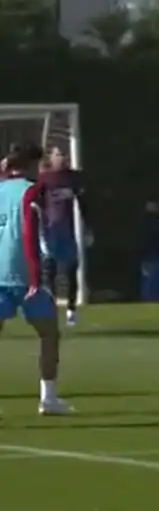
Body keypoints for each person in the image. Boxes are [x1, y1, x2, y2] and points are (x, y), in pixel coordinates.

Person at [0, 143, 73, 415]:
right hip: (25, 275)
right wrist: (34, 279)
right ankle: (48, 398)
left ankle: (50, 400)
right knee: (49, 333)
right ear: (33, 164)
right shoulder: (32, 190)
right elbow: (29, 234)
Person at [37, 147, 90, 326]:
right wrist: (40, 231)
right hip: (50, 231)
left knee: (70, 270)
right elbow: (37, 206)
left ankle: (71, 310)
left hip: (67, 232)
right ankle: (49, 310)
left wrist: (87, 227)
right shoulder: (43, 179)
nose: (62, 157)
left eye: (64, 154)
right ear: (51, 157)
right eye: (58, 154)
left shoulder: (72, 177)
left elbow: (83, 204)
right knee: (49, 272)